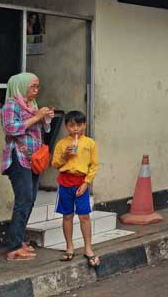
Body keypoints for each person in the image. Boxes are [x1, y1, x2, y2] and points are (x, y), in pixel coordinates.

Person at [1, 73, 54, 261]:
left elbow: (43, 130)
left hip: (33, 159)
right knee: (23, 199)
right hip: (18, 157)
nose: (36, 90)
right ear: (21, 86)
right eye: (33, 87)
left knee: (30, 199)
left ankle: (20, 239)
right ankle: (14, 246)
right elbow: (10, 128)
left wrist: (46, 119)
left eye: (37, 87)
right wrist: (36, 117)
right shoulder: (11, 105)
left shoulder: (32, 106)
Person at [51, 110, 100, 268]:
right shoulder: (61, 144)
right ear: (66, 127)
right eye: (72, 125)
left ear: (84, 125)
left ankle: (88, 248)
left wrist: (86, 183)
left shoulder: (90, 143)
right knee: (67, 216)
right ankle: (69, 247)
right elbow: (55, 164)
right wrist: (65, 156)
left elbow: (94, 165)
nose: (76, 129)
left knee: (84, 216)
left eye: (79, 125)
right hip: (65, 182)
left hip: (81, 182)